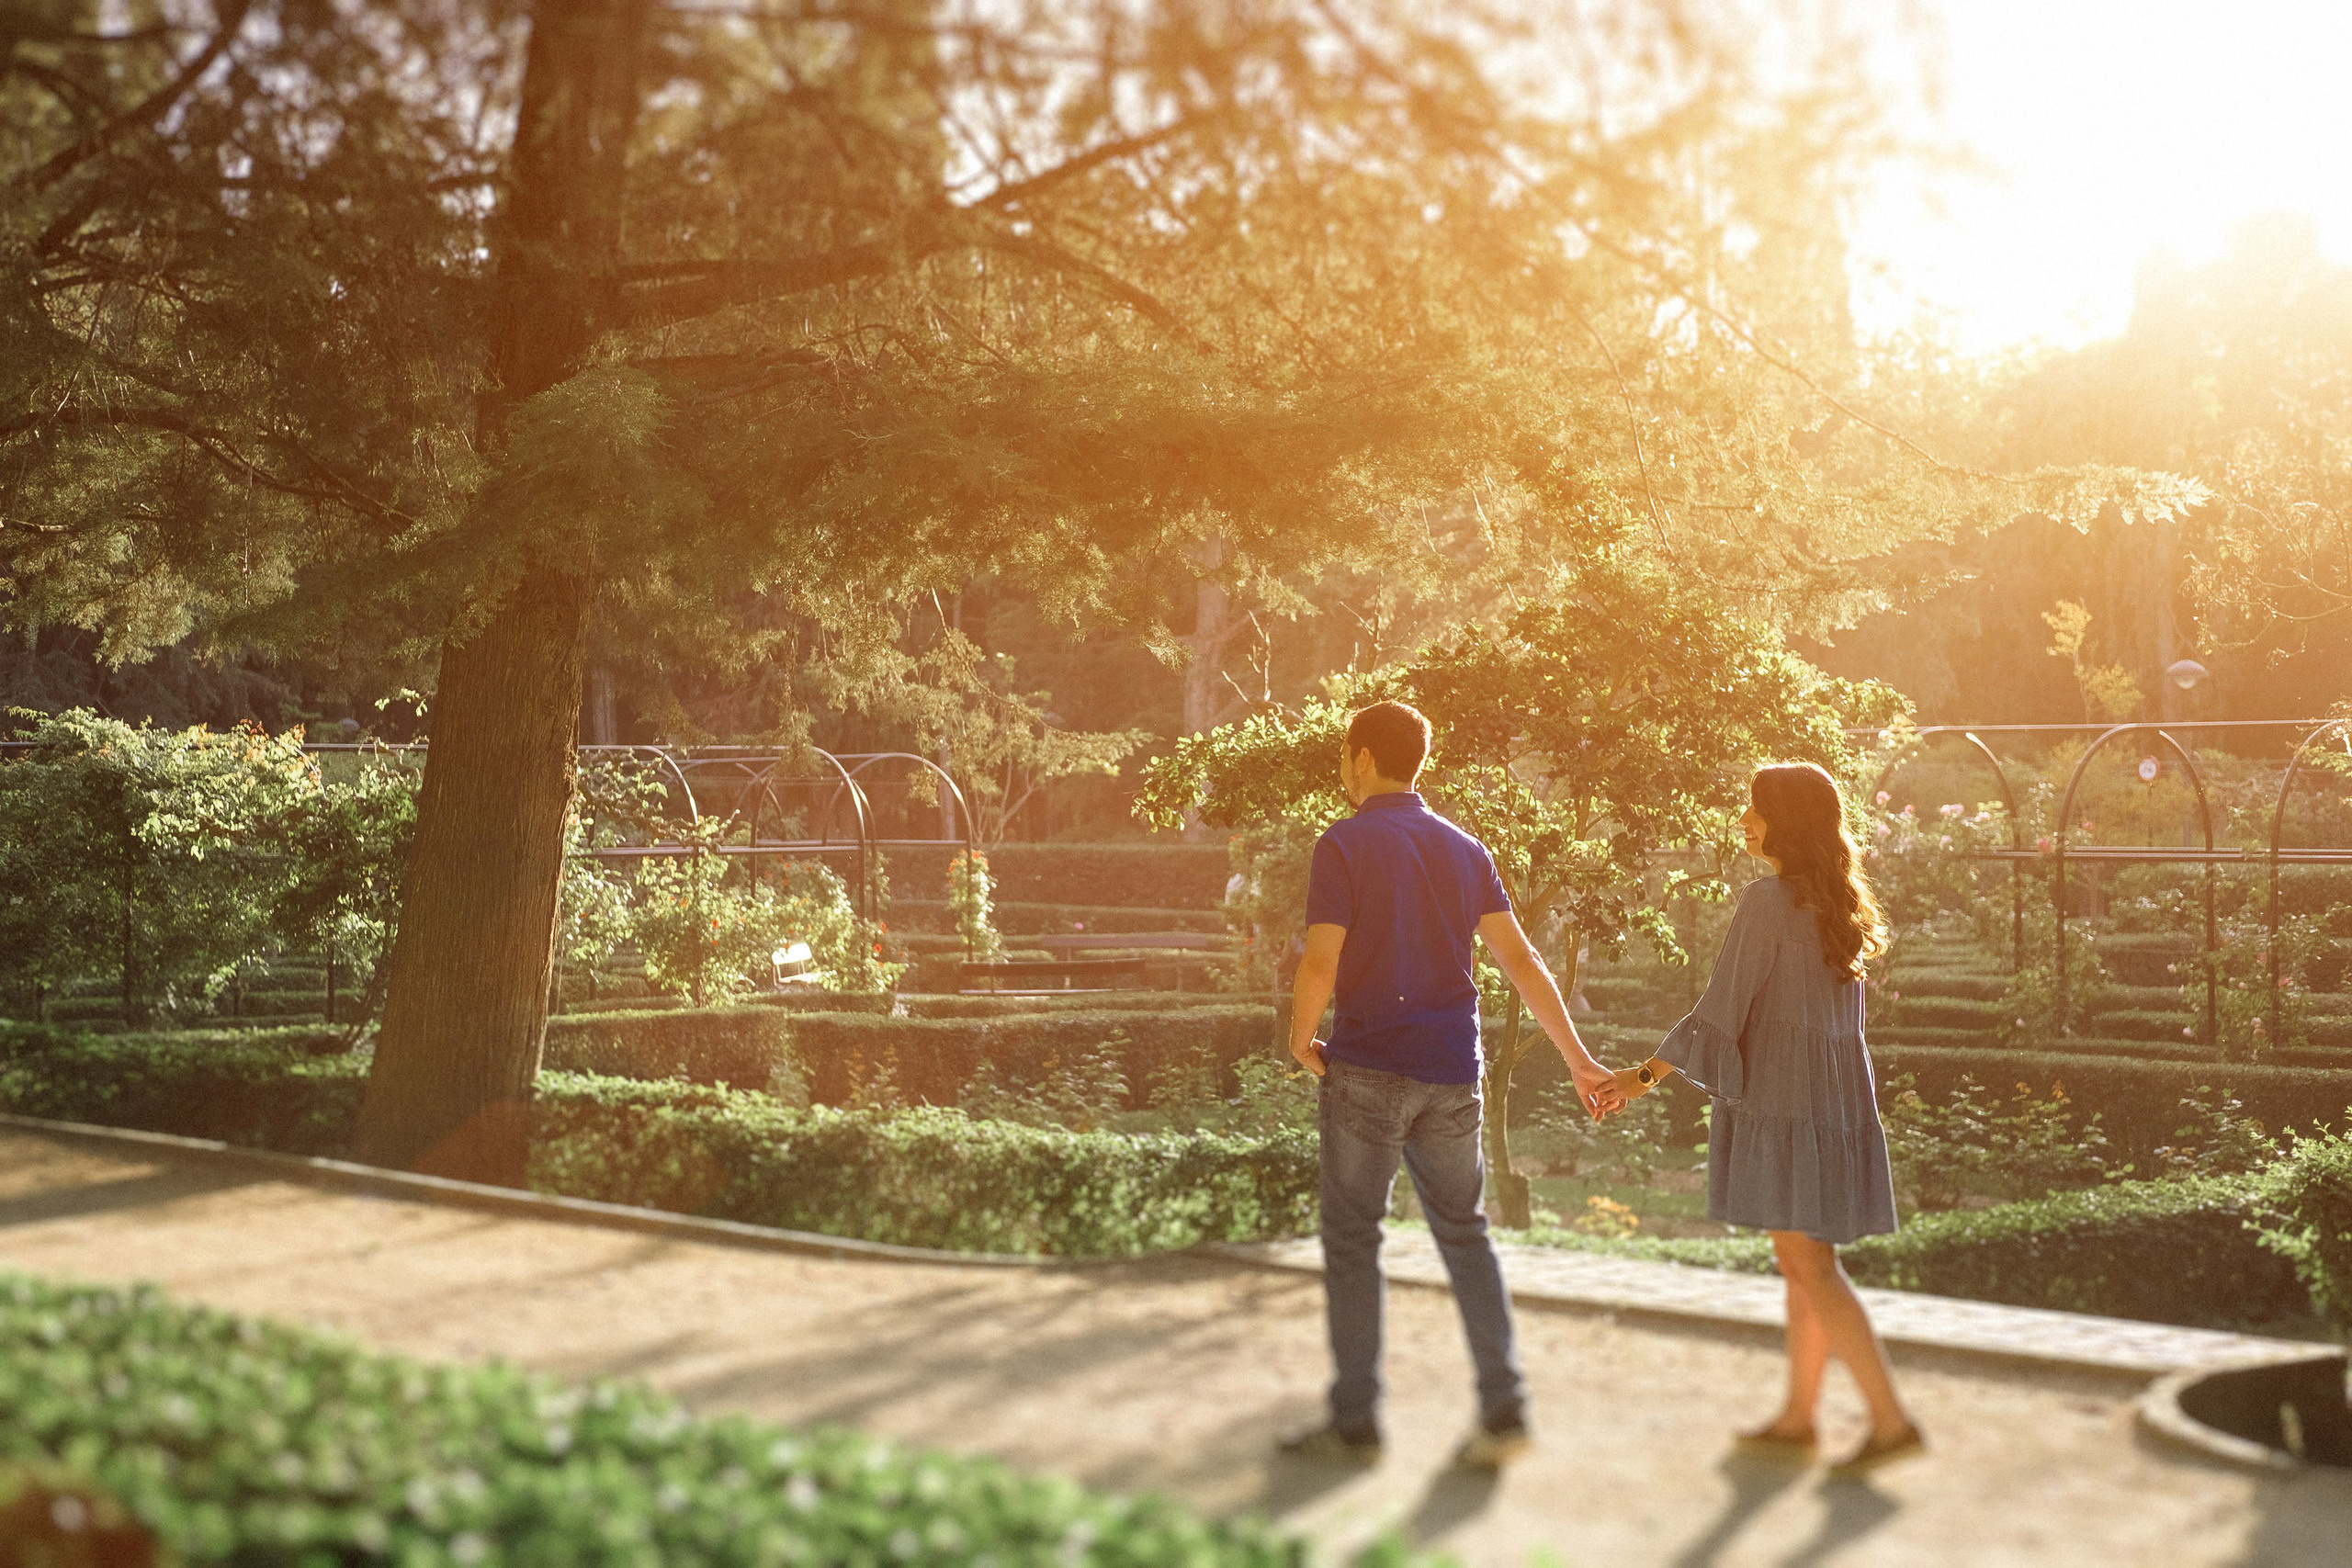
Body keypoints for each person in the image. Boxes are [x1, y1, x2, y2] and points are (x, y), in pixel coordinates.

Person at [1283, 700, 1619, 1469]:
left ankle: (1356, 1421)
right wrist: (1576, 1057)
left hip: (1365, 1071)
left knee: (1353, 1239)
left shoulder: (1342, 843)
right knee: (1465, 1235)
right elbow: (1524, 962)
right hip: (1452, 1076)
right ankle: (1506, 1409)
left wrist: (1301, 1037)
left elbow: (1320, 962)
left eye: (1344, 755)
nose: (1341, 768)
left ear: (1365, 758)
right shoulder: (1466, 849)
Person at [1604, 761, 1923, 1475]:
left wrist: (1642, 1076)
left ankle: (1891, 1422)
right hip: (1830, 1104)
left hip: (1789, 1103)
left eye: (1754, 808)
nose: (1742, 819)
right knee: (1802, 1263)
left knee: (1810, 1263)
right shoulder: (1834, 903)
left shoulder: (1768, 901)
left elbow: (1722, 1010)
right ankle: (1799, 1417)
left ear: (1786, 819)